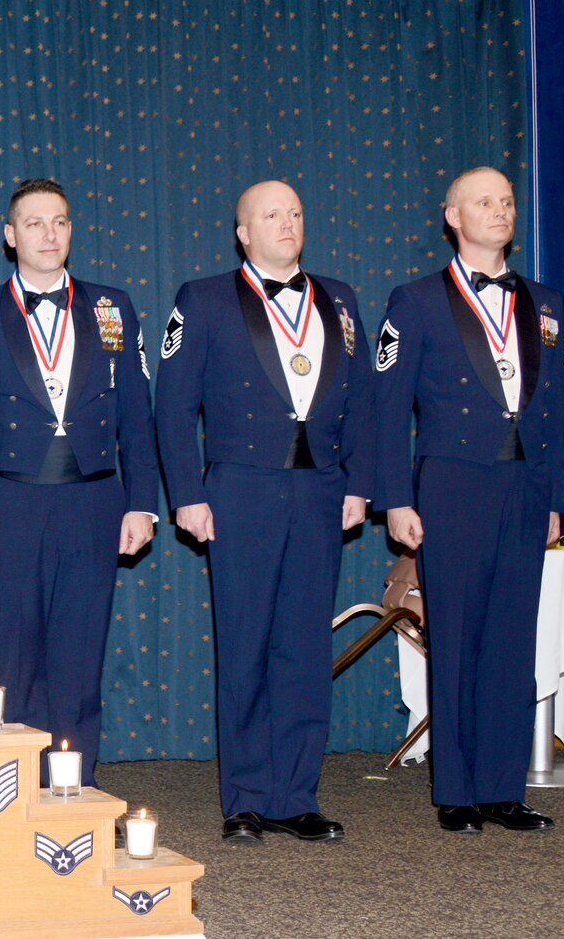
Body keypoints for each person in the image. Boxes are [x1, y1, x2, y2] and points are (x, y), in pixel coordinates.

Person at [155, 180, 373, 845]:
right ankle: (247, 798)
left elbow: (363, 401)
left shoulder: (340, 300)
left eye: (296, 213)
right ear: (243, 233)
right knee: (246, 643)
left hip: (319, 490)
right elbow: (171, 407)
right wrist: (188, 494)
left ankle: (296, 795)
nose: (287, 224)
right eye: (271, 215)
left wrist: (358, 485)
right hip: (239, 490)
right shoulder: (203, 299)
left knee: (305, 648)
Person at [0, 179, 158, 787]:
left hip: (95, 501)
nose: (48, 234)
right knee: (17, 656)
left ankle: (74, 786)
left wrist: (141, 502)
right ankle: (19, 793)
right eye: (34, 224)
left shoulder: (112, 307)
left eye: (59, 222)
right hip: (11, 503)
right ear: (10, 236)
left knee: (80, 653)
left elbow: (137, 418)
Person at [374, 166, 564, 835]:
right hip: (452, 484)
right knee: (454, 637)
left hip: (524, 486)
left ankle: (502, 789)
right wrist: (396, 498)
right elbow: (389, 410)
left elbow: (554, 405)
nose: (500, 210)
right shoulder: (416, 300)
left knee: (513, 640)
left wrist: (552, 502)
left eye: (508, 201)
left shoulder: (543, 302)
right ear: (453, 216)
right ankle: (455, 790)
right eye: (484, 201)